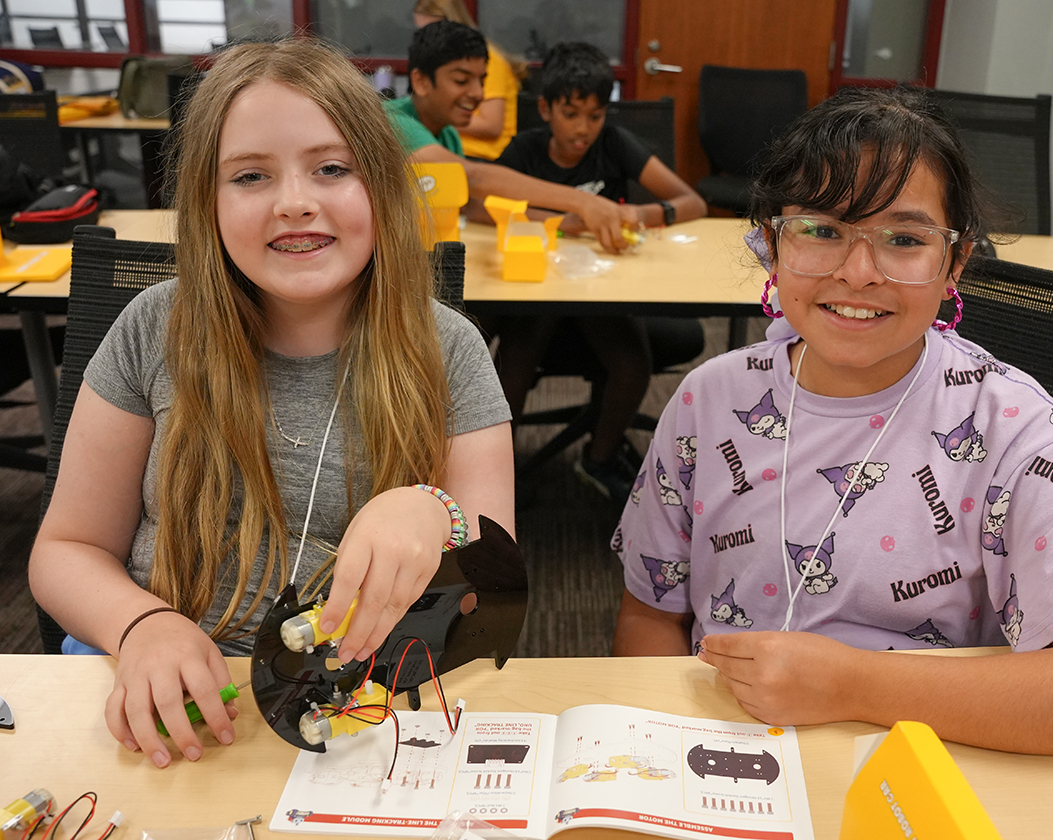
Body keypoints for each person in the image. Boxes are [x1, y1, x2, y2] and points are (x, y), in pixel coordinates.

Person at [609, 86, 1053, 758]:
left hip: (921, 762)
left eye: (904, 239)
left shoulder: (1012, 427)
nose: (858, 273)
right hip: (724, 758)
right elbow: (651, 615)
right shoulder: (708, 403)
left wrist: (852, 685)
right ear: (771, 244)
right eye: (821, 230)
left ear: (954, 264)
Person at [27, 38, 514, 769]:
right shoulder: (153, 331)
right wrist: (140, 626)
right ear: (207, 203)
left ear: (381, 186)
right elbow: (66, 549)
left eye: (331, 168)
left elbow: (496, 589)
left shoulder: (450, 351)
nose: (295, 202)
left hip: (358, 709)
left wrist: (434, 513)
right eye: (250, 176)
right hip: (162, 697)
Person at [490, 41, 707, 501]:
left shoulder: (614, 144)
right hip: (537, 285)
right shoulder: (525, 151)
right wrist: (568, 221)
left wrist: (637, 216)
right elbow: (481, 208)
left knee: (632, 365)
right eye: (571, 114)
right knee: (513, 368)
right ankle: (493, 476)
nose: (583, 129)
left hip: (602, 289)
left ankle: (599, 458)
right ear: (545, 109)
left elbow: (692, 202)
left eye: (595, 115)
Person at [384, 20, 633, 254]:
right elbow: (472, 177)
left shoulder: (447, 134)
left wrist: (562, 222)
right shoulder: (393, 122)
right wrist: (583, 202)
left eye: (482, 80)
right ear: (421, 81)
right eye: (461, 80)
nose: (478, 93)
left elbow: (469, 206)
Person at [412, 0, 526, 161]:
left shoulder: (488, 61)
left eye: (433, 31)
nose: (426, 41)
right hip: (447, 151)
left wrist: (432, 120)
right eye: (420, 33)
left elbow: (491, 126)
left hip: (484, 158)